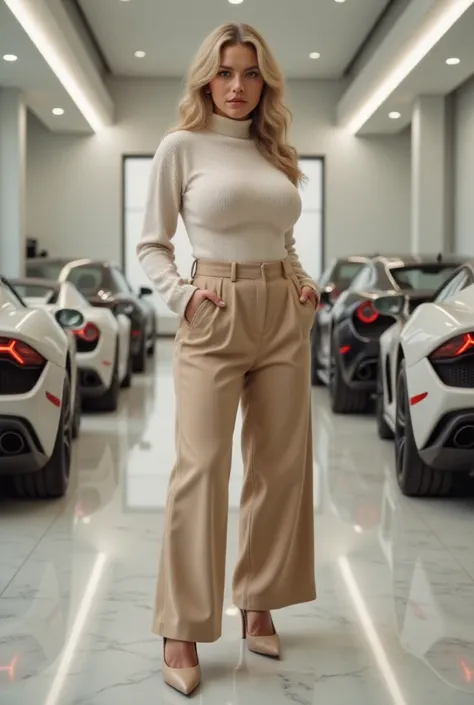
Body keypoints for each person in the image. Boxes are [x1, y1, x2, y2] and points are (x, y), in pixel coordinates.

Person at [137, 21, 319, 697]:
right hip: (212, 308)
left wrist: (303, 283)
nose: (237, 87)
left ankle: (259, 598)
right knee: (202, 466)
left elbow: (280, 235)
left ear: (264, 81)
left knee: (278, 465)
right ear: (206, 80)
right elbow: (151, 245)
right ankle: (182, 624)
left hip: (282, 312)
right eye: (224, 73)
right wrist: (182, 297)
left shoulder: (276, 153)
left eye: (249, 74)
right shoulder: (180, 148)